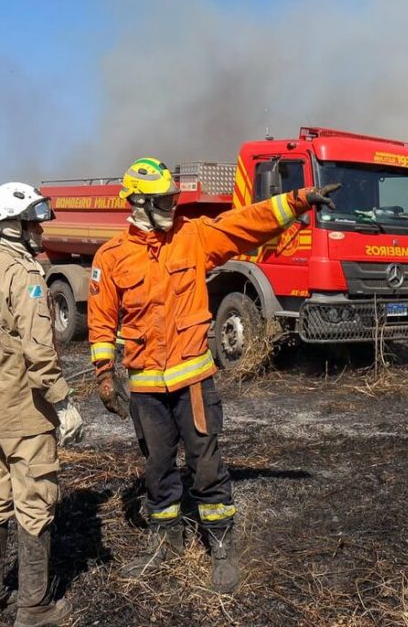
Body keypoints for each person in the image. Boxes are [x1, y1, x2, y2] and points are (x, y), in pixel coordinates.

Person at [87, 157, 339, 593]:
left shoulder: (192, 237)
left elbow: (246, 224)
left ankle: (221, 545)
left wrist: (298, 201)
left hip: (193, 382)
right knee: (157, 468)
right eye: (164, 201)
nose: (172, 207)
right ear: (139, 202)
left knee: (205, 464)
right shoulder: (111, 257)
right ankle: (164, 541)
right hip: (146, 388)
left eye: (172, 199)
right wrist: (105, 375)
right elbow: (101, 319)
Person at [0, 182, 84, 627]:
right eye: (34, 223)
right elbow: (39, 352)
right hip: (25, 415)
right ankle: (34, 608)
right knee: (35, 503)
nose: (40, 230)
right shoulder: (26, 276)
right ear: (13, 226)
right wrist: (63, 402)